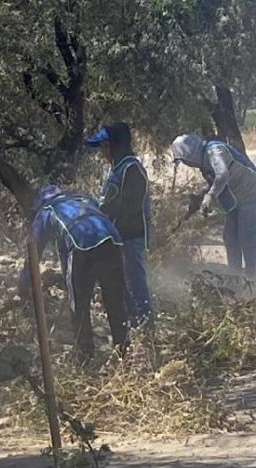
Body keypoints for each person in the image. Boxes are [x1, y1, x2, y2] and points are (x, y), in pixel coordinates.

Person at [19, 185, 128, 361]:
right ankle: (125, 353)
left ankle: (85, 358)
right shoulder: (83, 199)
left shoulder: (47, 210)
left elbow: (34, 252)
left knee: (79, 306)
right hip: (114, 243)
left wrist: (23, 286)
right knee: (116, 303)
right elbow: (65, 248)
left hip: (83, 247)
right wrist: (66, 276)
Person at [171, 133, 256, 280]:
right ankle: (235, 278)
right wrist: (200, 198)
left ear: (190, 154)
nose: (187, 164)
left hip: (253, 195)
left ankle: (252, 280)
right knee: (230, 238)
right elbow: (217, 183)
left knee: (246, 238)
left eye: (184, 160)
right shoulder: (205, 164)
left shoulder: (215, 151)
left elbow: (222, 175)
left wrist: (210, 196)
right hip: (236, 200)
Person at [86, 123, 152, 326]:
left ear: (115, 145)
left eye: (105, 146)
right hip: (118, 235)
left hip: (131, 235)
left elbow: (130, 205)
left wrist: (106, 214)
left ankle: (145, 322)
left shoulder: (132, 169)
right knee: (122, 281)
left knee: (135, 280)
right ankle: (133, 321)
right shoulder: (119, 168)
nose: (102, 152)